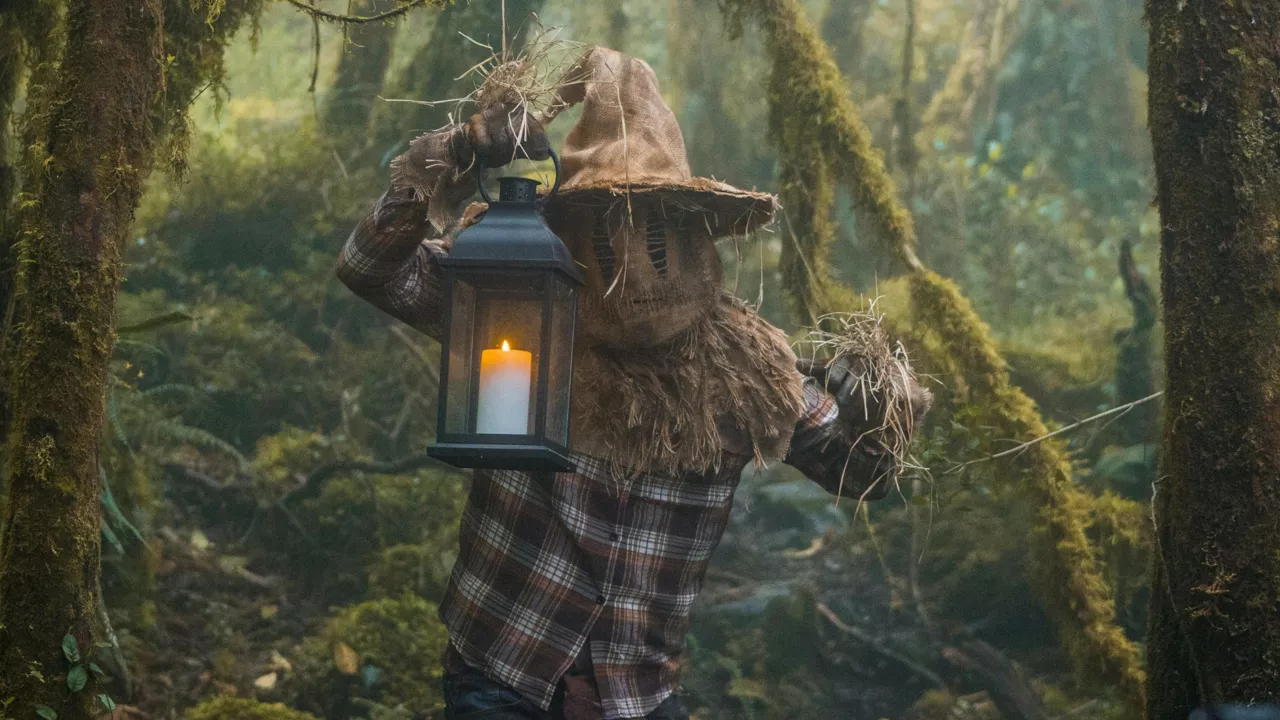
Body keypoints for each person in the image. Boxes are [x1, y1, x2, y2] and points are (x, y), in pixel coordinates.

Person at [337, 47, 930, 720]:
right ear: (566, 234)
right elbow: (369, 267)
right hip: (505, 668)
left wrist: (886, 395)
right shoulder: (519, 301)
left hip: (638, 697)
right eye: (608, 235)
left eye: (658, 234)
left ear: (697, 231)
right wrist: (455, 155)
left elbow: (862, 469)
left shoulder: (748, 365)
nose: (639, 267)